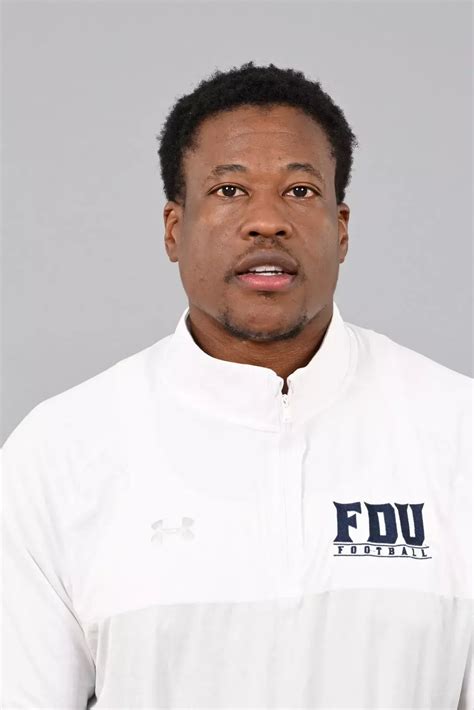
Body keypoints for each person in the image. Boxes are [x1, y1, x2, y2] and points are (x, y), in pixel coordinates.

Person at [2, 62, 472, 709]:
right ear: (174, 229)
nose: (266, 221)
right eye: (229, 190)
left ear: (341, 228)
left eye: (300, 191)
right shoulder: (58, 455)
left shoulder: (456, 433)